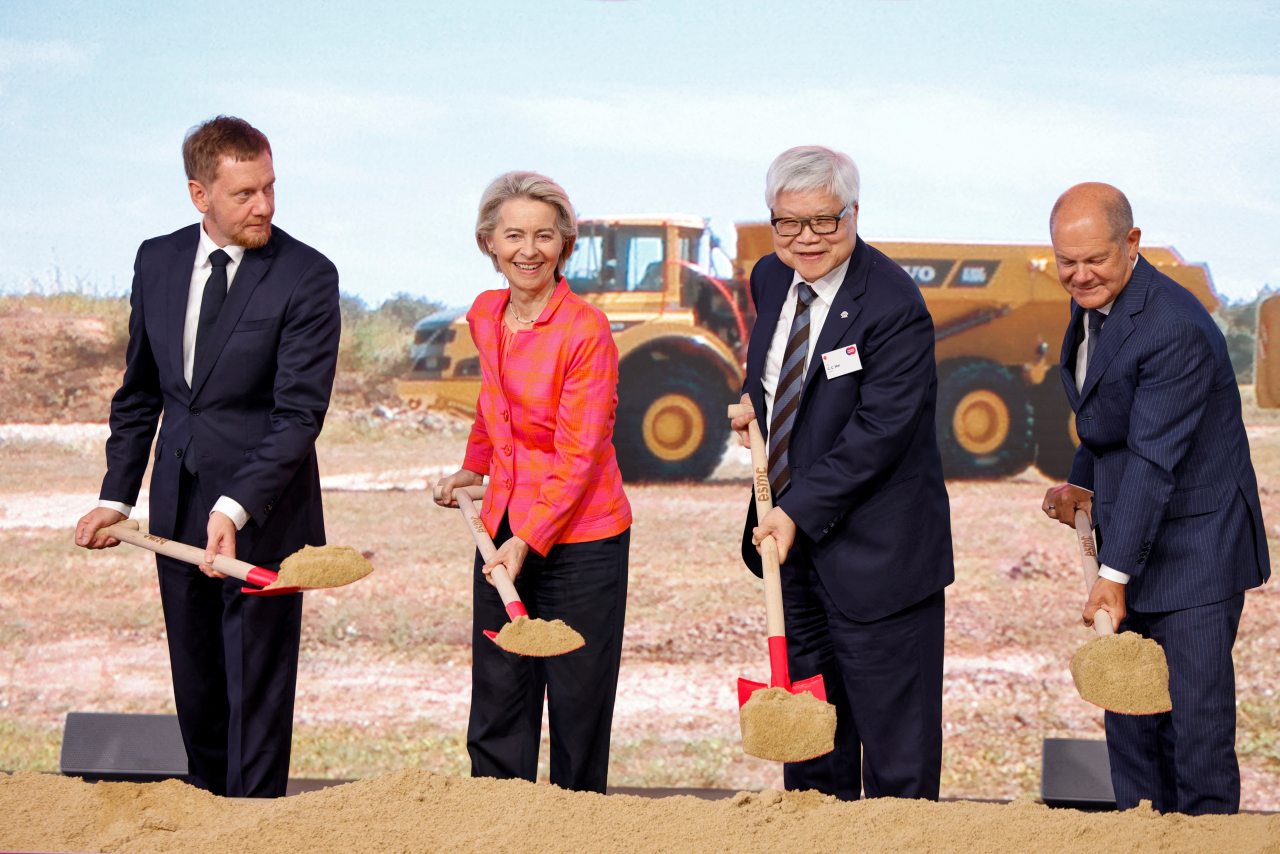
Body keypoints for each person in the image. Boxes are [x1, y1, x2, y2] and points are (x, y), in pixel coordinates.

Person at [74, 116, 341, 798]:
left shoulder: (307, 275)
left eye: (270, 188)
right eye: (245, 193)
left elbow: (298, 414)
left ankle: (251, 826)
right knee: (195, 674)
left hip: (265, 510)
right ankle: (202, 813)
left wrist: (236, 504)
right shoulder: (155, 261)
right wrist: (115, 497)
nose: (265, 207)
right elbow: (140, 394)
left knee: (254, 680)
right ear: (199, 195)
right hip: (176, 502)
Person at [728, 146, 954, 800]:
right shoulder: (771, 277)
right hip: (792, 561)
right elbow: (774, 370)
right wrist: (754, 409)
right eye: (788, 222)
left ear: (855, 213)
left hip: (879, 560)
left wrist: (796, 511)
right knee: (811, 754)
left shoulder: (893, 305)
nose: (805, 239)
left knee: (895, 759)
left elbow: (881, 431)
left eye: (824, 222)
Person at [1040, 182, 1269, 815]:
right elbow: (1104, 419)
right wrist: (1081, 479)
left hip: (1197, 552)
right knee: (1132, 730)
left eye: (1095, 260)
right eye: (1067, 261)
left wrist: (1112, 576)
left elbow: (1150, 457)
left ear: (1132, 243)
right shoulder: (1095, 304)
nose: (1080, 275)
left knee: (1194, 737)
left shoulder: (1173, 328)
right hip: (1134, 540)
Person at [434, 171, 632, 794]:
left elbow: (580, 453)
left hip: (582, 542)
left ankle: (579, 831)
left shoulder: (585, 330)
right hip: (502, 531)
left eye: (544, 236)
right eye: (513, 234)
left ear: (565, 244)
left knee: (576, 704)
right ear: (488, 242)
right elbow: (495, 406)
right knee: (499, 699)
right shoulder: (486, 314)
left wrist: (529, 538)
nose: (529, 249)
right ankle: (497, 825)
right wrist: (475, 465)